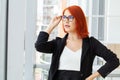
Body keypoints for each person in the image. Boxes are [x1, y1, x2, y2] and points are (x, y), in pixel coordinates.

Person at [35, 5, 119, 80]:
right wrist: (51, 26)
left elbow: (114, 61)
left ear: (79, 20)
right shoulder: (58, 43)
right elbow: (39, 46)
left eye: (70, 17)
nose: (66, 21)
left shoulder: (91, 43)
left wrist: (91, 77)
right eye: (64, 17)